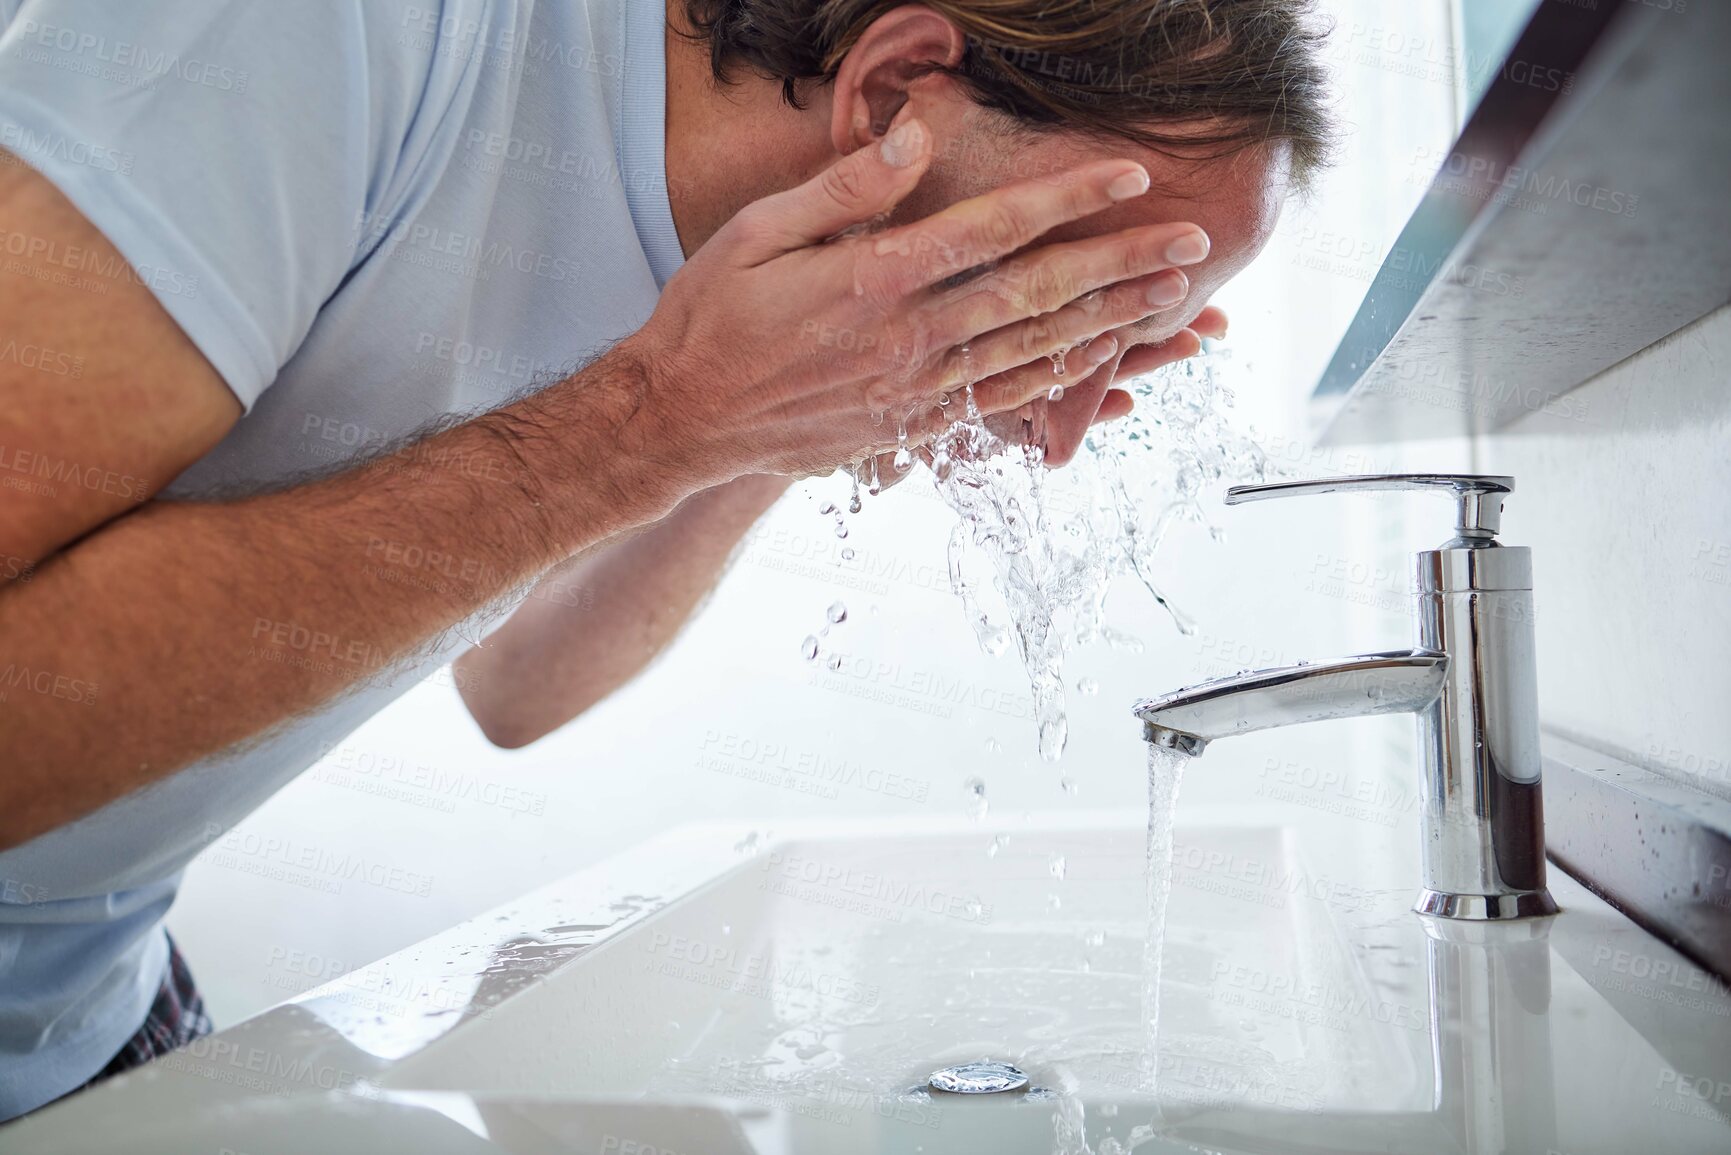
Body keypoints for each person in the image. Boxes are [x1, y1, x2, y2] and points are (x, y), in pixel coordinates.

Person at [0, 0, 1329, 1121]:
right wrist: (654, 426)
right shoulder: (319, 37)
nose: (1060, 422)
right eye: (1079, 301)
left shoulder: (724, 225)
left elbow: (523, 683)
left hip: (93, 1010)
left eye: (1125, 337)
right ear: (893, 106)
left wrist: (779, 421)